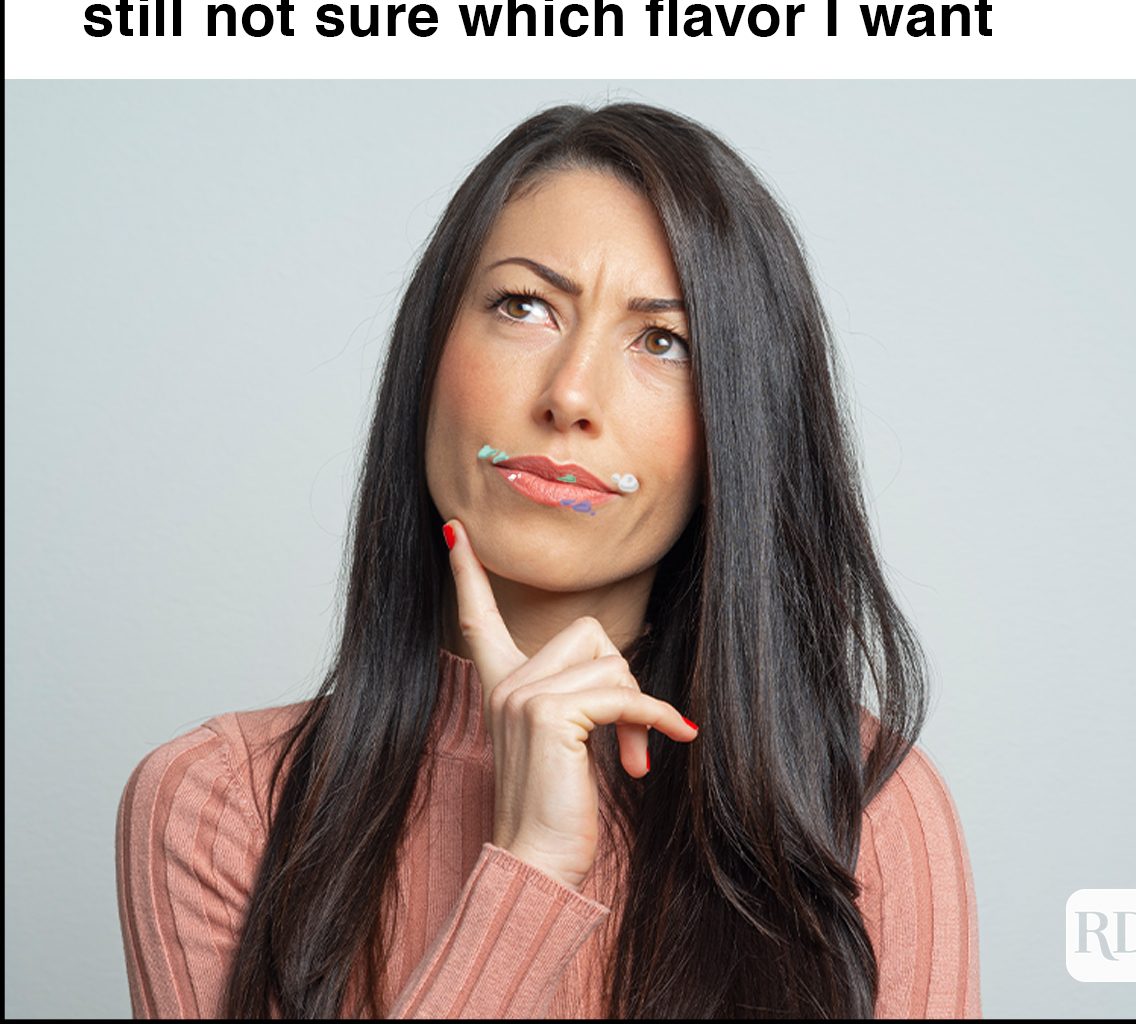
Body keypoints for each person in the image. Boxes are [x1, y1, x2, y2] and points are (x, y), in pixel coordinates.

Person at [115, 102, 981, 1018]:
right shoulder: (224, 805)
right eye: (524, 307)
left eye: (664, 341)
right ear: (430, 355)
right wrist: (527, 872)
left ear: (737, 426)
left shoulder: (857, 809)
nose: (570, 394)